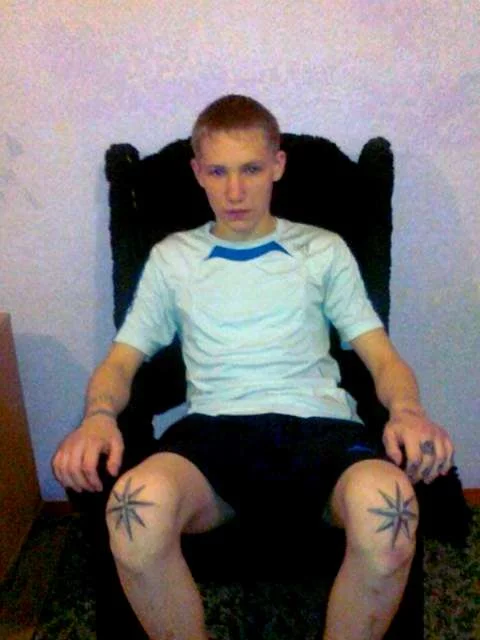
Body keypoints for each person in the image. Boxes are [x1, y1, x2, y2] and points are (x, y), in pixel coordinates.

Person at [52, 94, 454, 640]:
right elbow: (122, 360)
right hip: (212, 436)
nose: (235, 191)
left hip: (322, 432)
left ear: (277, 166)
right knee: (134, 511)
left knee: (390, 513)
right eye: (218, 172)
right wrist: (98, 417)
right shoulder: (173, 257)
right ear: (198, 173)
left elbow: (381, 356)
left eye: (251, 169)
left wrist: (408, 411)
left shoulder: (322, 250)